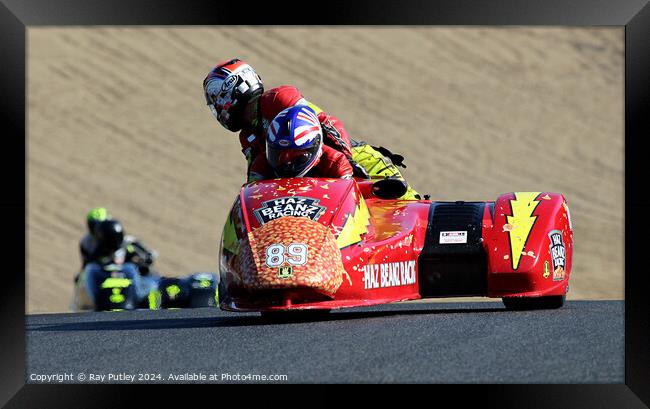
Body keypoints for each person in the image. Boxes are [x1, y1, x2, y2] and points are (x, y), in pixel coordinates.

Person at [202, 58, 421, 198]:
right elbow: (259, 181)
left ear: (234, 88)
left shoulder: (278, 99)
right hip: (316, 182)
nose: (216, 107)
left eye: (215, 97)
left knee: (406, 205)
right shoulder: (248, 137)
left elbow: (327, 124)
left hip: (357, 160)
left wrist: (351, 163)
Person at [74, 218, 159, 310]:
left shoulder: (129, 243)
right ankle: (79, 307)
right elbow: (88, 264)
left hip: (127, 279)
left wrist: (144, 260)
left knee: (154, 281)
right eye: (109, 238)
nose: (113, 240)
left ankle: (153, 310)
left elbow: (147, 254)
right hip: (104, 285)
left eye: (115, 237)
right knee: (81, 281)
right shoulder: (95, 252)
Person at [261, 105, 353, 179]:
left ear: (315, 146)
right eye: (280, 156)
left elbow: (351, 196)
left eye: (298, 157)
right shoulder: (261, 165)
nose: (288, 163)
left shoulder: (337, 164)